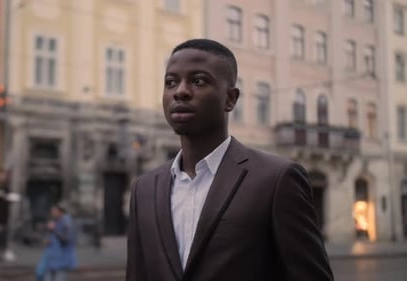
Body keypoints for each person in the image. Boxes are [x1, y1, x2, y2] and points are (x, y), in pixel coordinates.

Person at [126, 39, 334, 281]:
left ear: (230, 99)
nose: (180, 91)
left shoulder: (276, 180)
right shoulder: (144, 189)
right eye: (170, 82)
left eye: (198, 81)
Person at [35, 203, 76, 281]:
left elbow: (67, 240)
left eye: (54, 211)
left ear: (60, 212)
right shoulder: (57, 221)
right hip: (52, 259)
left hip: (62, 260)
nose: (52, 213)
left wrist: (54, 229)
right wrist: (48, 240)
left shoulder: (67, 222)